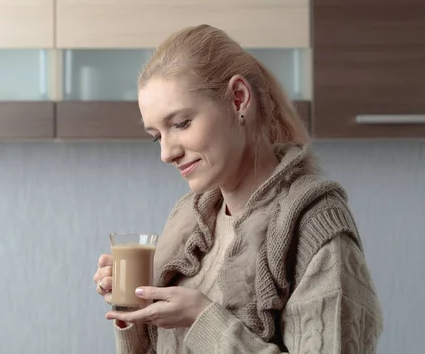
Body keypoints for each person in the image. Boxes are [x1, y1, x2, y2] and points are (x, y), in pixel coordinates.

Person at [93, 24, 383, 353]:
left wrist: (203, 319)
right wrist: (133, 310)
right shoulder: (188, 222)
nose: (166, 153)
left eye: (181, 123)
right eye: (157, 136)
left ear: (238, 98)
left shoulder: (314, 225)